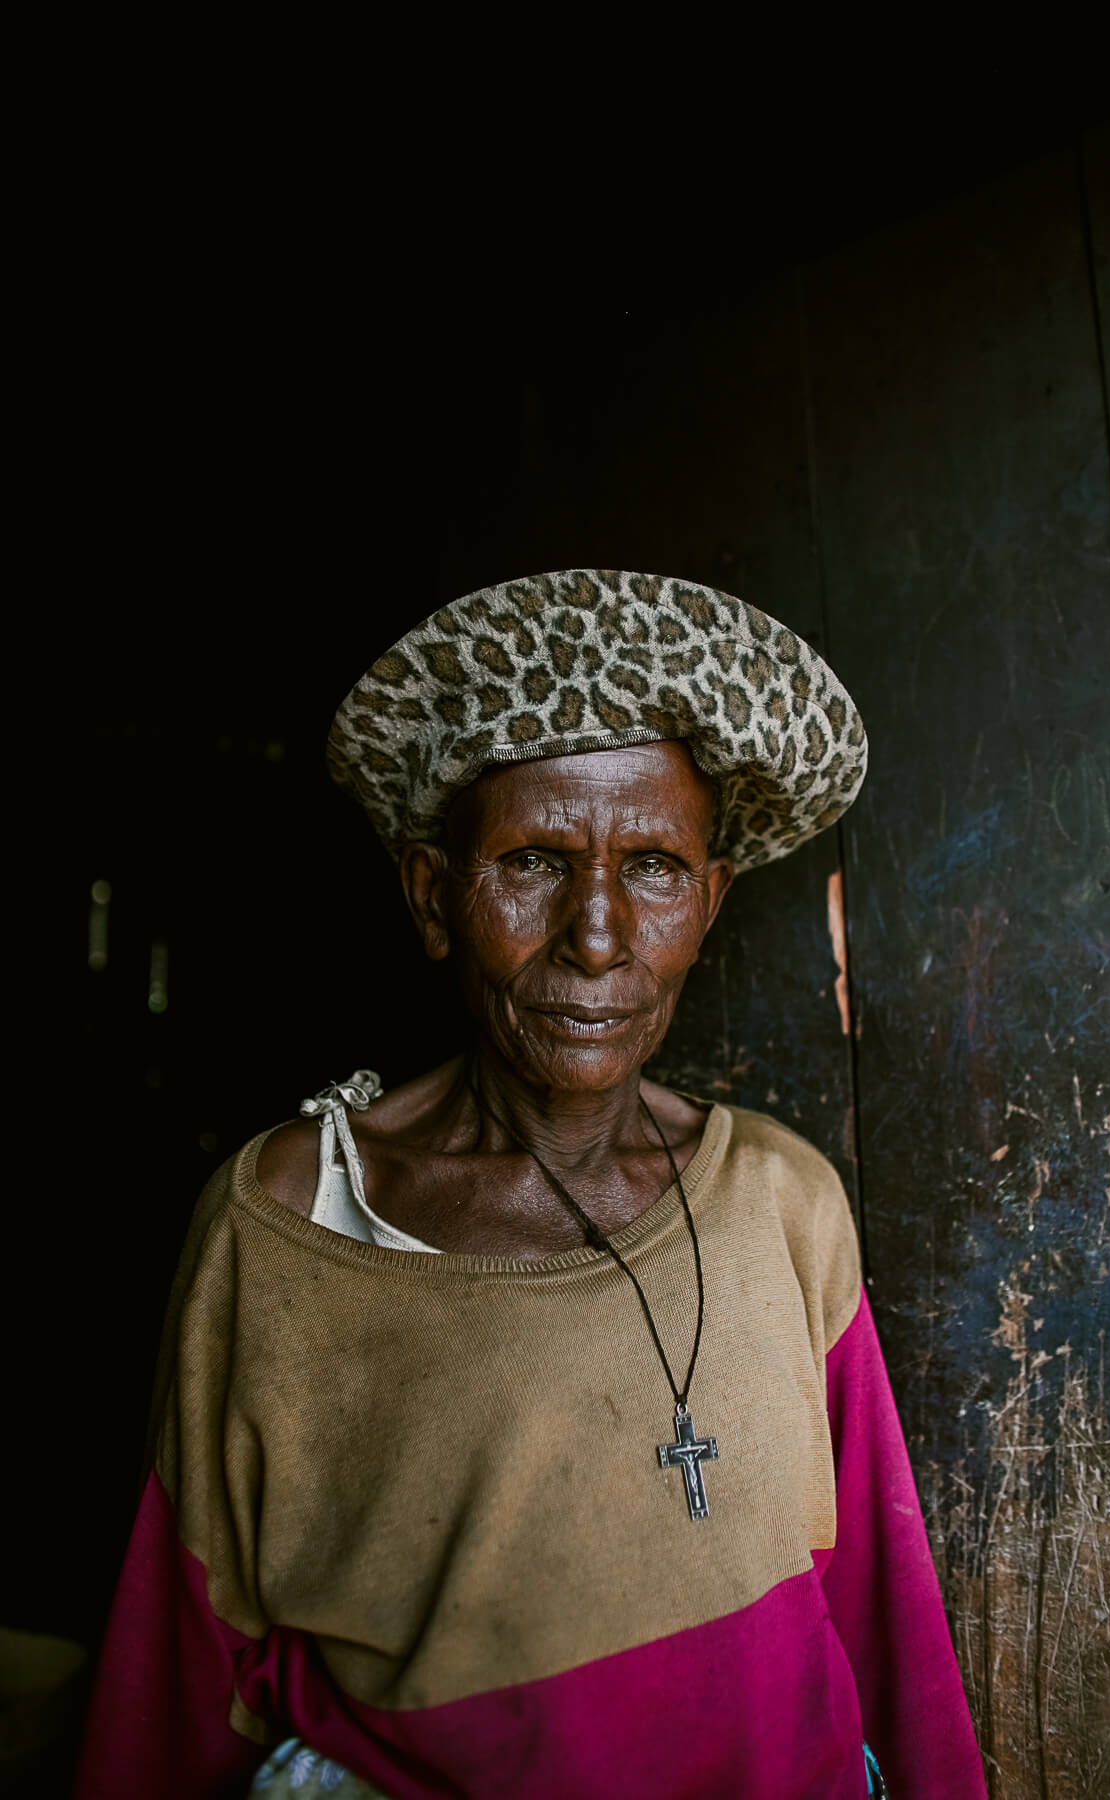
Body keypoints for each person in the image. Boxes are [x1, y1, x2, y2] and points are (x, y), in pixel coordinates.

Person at [74, 570, 985, 1799]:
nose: (598, 936)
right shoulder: (291, 1222)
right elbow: (177, 1676)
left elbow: (882, 1616)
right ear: (434, 898)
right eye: (535, 863)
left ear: (711, 905)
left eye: (656, 866)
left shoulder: (781, 1202)